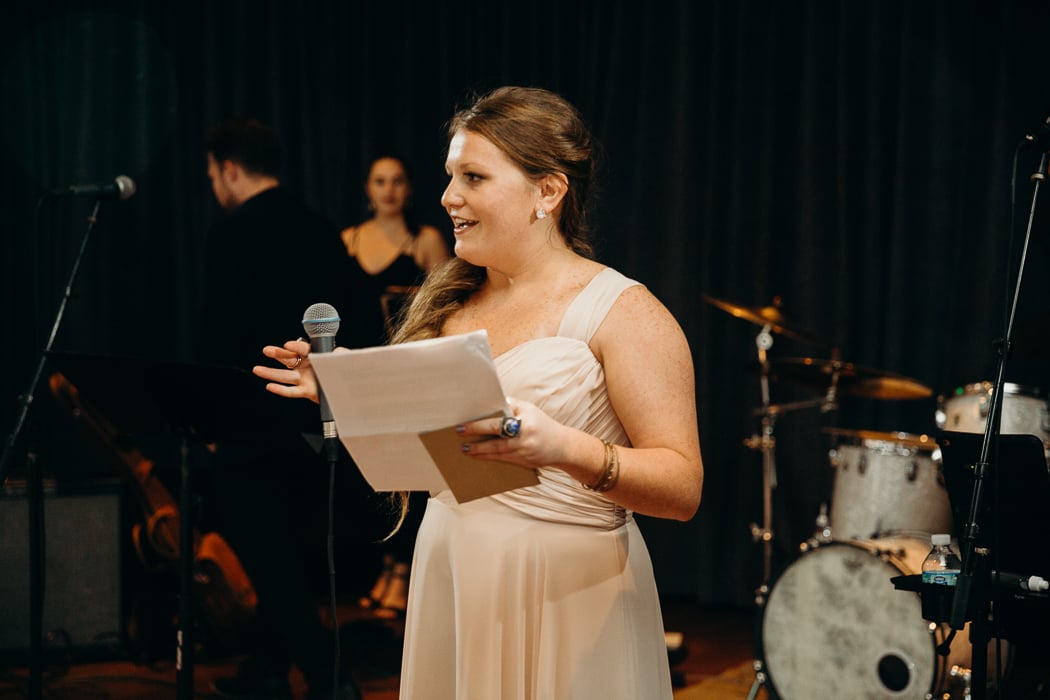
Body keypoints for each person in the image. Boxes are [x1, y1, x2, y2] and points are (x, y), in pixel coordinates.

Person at [254, 86, 704, 699]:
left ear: (548, 191)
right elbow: (433, 453)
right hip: (452, 572)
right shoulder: (447, 306)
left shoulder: (623, 312)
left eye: (473, 176)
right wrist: (347, 385)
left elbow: (682, 488)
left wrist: (565, 449)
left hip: (568, 592)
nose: (448, 197)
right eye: (450, 176)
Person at [197, 117, 361, 700]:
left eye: (213, 174)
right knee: (286, 554)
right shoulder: (319, 227)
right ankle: (265, 673)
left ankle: (331, 680)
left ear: (229, 169)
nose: (214, 185)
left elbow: (218, 336)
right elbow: (355, 318)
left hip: (251, 422)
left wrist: (209, 422)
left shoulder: (231, 233)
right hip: (318, 421)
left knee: (268, 562)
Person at [339, 153, 451, 616]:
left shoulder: (425, 240)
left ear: (409, 189)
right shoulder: (347, 239)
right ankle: (383, 569)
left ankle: (402, 574)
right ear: (368, 189)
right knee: (373, 475)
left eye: (397, 181)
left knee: (410, 475)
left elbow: (448, 306)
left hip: (408, 373)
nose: (388, 190)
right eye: (380, 181)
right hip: (361, 373)